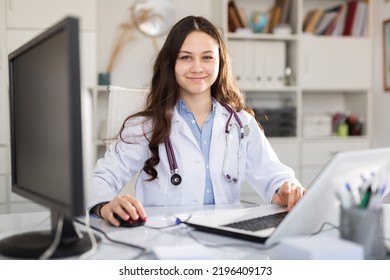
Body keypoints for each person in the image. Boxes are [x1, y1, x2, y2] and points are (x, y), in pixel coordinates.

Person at [88, 15, 307, 227]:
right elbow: (100, 179)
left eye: (207, 57)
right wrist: (105, 204)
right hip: (164, 240)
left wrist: (285, 190)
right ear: (170, 63)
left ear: (220, 62)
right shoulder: (146, 126)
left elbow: (274, 176)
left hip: (226, 240)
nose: (197, 67)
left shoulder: (241, 123)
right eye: (185, 57)